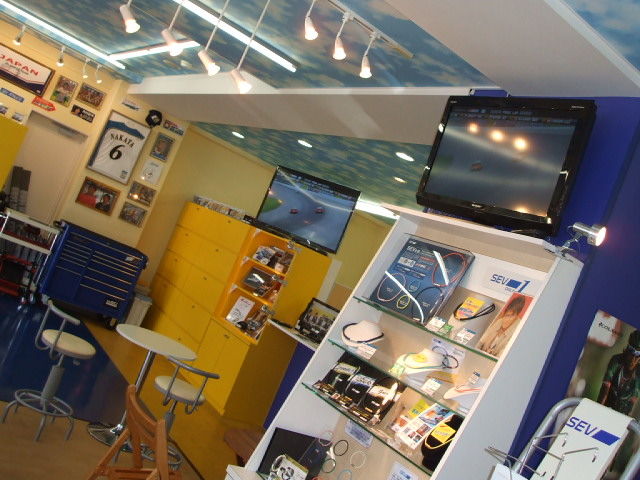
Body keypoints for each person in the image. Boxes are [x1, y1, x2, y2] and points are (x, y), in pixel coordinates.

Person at [597, 330, 640, 415]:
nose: (633, 358)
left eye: (638, 354)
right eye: (631, 350)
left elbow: (632, 401)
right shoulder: (616, 360)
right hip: (607, 404)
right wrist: (598, 410)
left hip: (622, 411)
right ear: (627, 349)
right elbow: (605, 387)